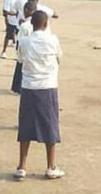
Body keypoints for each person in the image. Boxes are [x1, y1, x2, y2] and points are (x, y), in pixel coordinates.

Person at [14, 10, 64, 181]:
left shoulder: (24, 41)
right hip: (48, 87)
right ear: (45, 24)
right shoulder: (53, 40)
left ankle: (22, 166)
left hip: (29, 87)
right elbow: (60, 58)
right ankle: (51, 166)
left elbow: (20, 60)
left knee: (25, 127)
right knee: (50, 126)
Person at [11, 1, 37, 94]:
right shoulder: (37, 23)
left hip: (25, 49)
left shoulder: (24, 26)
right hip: (35, 50)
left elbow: (20, 40)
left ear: (26, 11)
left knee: (21, 69)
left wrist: (18, 52)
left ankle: (18, 88)